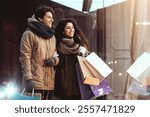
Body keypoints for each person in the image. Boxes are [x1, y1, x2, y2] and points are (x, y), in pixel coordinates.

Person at [19, 5, 59, 100]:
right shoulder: (29, 34)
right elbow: (25, 56)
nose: (52, 20)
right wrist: (28, 78)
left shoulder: (52, 37)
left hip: (49, 83)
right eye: (49, 17)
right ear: (40, 18)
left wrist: (54, 60)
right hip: (34, 82)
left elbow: (56, 55)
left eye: (52, 17)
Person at [54, 18, 89, 100]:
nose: (71, 30)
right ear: (62, 31)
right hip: (62, 86)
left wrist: (84, 53)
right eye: (68, 28)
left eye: (72, 27)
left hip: (78, 87)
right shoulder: (57, 45)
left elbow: (87, 64)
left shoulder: (81, 46)